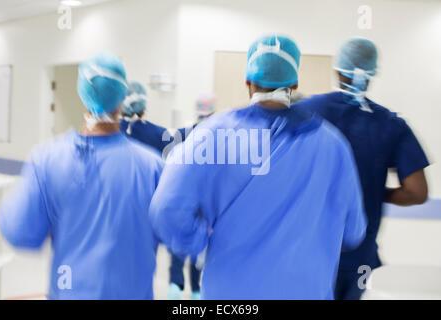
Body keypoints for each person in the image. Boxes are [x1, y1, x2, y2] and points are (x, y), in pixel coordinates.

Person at [149, 35, 367, 299]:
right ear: (294, 83)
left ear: (248, 82)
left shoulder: (212, 135)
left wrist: (197, 244)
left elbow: (166, 208)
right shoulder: (334, 146)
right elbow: (354, 232)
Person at [0, 52, 163, 299]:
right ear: (122, 98)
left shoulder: (48, 159)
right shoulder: (152, 167)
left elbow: (20, 232)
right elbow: (181, 234)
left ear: (83, 95)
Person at [294, 37, 429, 300]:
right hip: (360, 258)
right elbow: (417, 191)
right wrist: (377, 191)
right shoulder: (391, 124)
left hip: (307, 251)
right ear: (371, 74)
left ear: (338, 70)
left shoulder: (304, 112)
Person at [121, 87, 216, 300]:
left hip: (171, 201)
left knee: (176, 247)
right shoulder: (220, 138)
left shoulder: (181, 135)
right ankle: (195, 290)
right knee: (194, 247)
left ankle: (175, 285)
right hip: (197, 203)